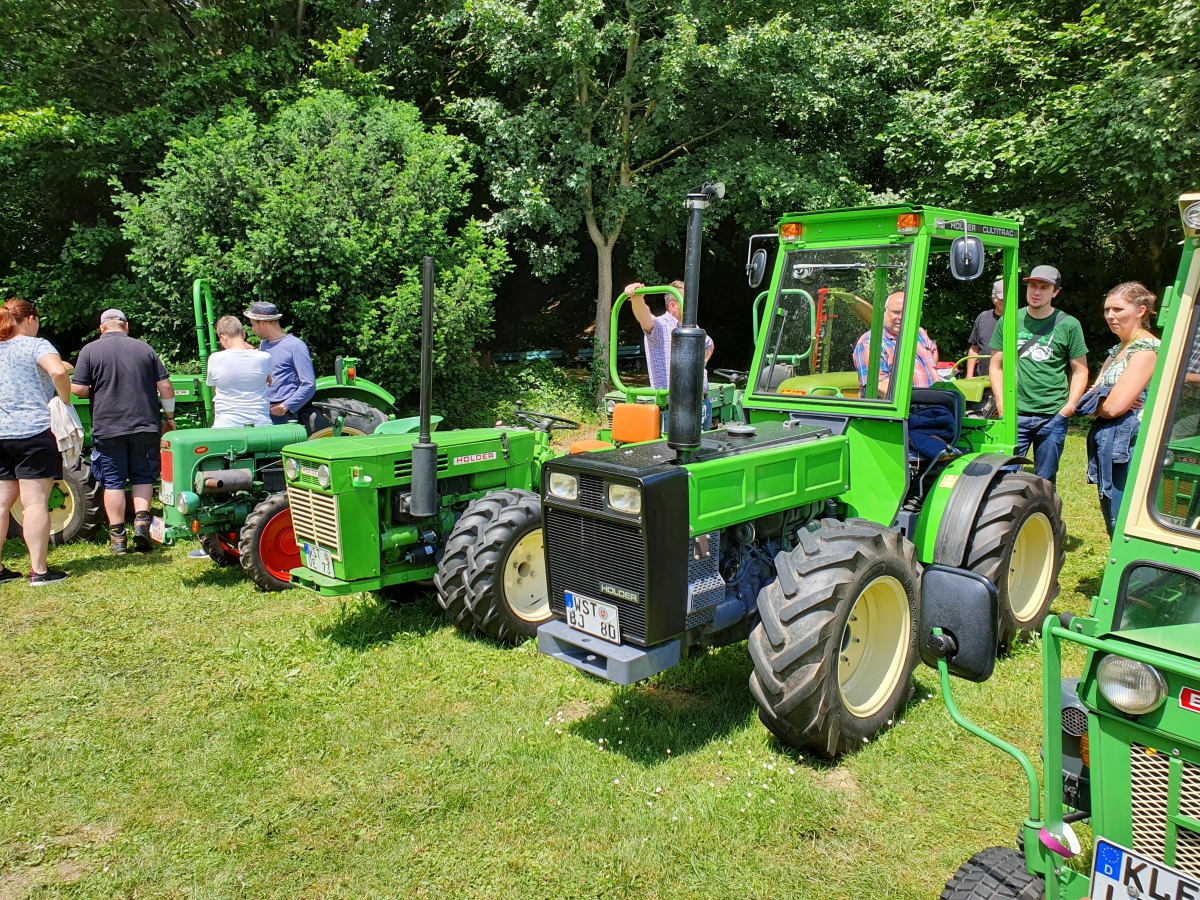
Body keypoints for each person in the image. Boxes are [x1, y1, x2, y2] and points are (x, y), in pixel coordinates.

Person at [71, 309, 175, 555]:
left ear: (101, 328)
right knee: (143, 476)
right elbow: (166, 387)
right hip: (145, 424)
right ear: (126, 327)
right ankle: (141, 525)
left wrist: (98, 389)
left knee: (114, 482)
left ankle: (118, 538)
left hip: (108, 427)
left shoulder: (89, 350)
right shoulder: (144, 349)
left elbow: (77, 389)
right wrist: (169, 417)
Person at [988, 265, 1089, 486]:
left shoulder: (1069, 325)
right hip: (1015, 414)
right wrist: (1002, 404)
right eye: (1033, 285)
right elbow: (996, 366)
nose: (1036, 292)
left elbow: (1080, 370)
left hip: (1052, 415)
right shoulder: (1010, 320)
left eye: (1044, 287)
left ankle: (1044, 518)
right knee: (1004, 478)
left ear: (1055, 292)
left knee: (1045, 480)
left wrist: (1069, 407)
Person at [0, 299, 72, 585]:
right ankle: (39, 571)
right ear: (29, 319)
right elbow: (58, 371)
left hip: (1, 434)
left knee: (2, 503)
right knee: (35, 503)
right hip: (33, 432)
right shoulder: (35, 345)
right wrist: (64, 401)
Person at [1082, 283, 1160, 535]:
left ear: (1140, 311)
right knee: (1113, 517)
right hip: (1112, 441)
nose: (1110, 316)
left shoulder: (1147, 350)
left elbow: (1113, 407)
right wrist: (1104, 399)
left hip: (1132, 446)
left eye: (1118, 309)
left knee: (1124, 520)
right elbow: (1090, 400)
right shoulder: (1116, 351)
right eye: (1107, 309)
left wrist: (1104, 401)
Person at [624, 280, 715, 428]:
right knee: (674, 451)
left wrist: (701, 363)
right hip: (676, 410)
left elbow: (709, 344)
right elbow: (645, 317)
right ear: (674, 306)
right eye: (688, 302)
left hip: (703, 404)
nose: (693, 307)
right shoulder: (660, 326)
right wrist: (637, 298)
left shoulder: (692, 327)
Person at [852, 291, 939, 396]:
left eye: (906, 312)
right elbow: (879, 386)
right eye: (896, 312)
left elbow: (933, 350)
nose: (901, 317)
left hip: (932, 403)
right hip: (901, 410)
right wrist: (919, 399)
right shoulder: (871, 342)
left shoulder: (918, 333)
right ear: (884, 311)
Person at [244, 302, 315, 425]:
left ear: (263, 323)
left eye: (253, 325)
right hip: (263, 411)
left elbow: (309, 384)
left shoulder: (296, 346)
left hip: (282, 416)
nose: (252, 329)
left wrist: (285, 407)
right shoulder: (263, 345)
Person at [208, 316, 272, 428]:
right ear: (243, 334)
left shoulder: (214, 359)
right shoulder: (264, 357)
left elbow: (215, 388)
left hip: (226, 424)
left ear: (223, 337)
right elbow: (267, 381)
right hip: (261, 423)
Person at [967, 280, 1004, 378]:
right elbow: (974, 348)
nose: (1007, 302)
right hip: (984, 378)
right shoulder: (983, 317)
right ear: (994, 300)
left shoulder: (1018, 319)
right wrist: (969, 376)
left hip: (1010, 380)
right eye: (1003, 299)